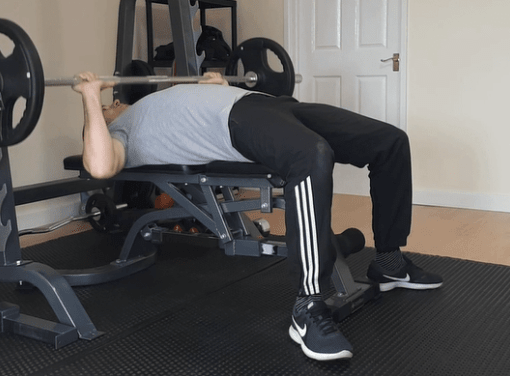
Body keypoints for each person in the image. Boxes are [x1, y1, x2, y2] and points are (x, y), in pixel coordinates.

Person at [72, 70, 443, 361]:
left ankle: (389, 262)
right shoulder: (121, 134)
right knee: (309, 154)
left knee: (389, 141)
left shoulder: (148, 105)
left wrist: (216, 87)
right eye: (106, 108)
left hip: (268, 105)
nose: (112, 103)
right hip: (235, 124)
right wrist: (90, 96)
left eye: (110, 102)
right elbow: (100, 165)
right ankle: (308, 305)